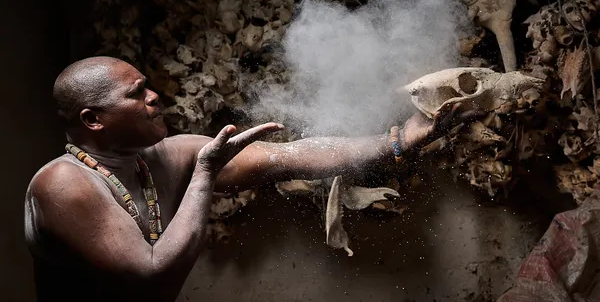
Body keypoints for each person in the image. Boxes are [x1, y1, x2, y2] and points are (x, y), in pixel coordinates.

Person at [24, 56, 477, 302]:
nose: (154, 96)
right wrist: (204, 172)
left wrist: (399, 140)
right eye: (136, 93)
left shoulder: (163, 155)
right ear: (93, 119)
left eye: (147, 85)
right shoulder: (64, 184)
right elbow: (152, 275)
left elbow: (290, 157)